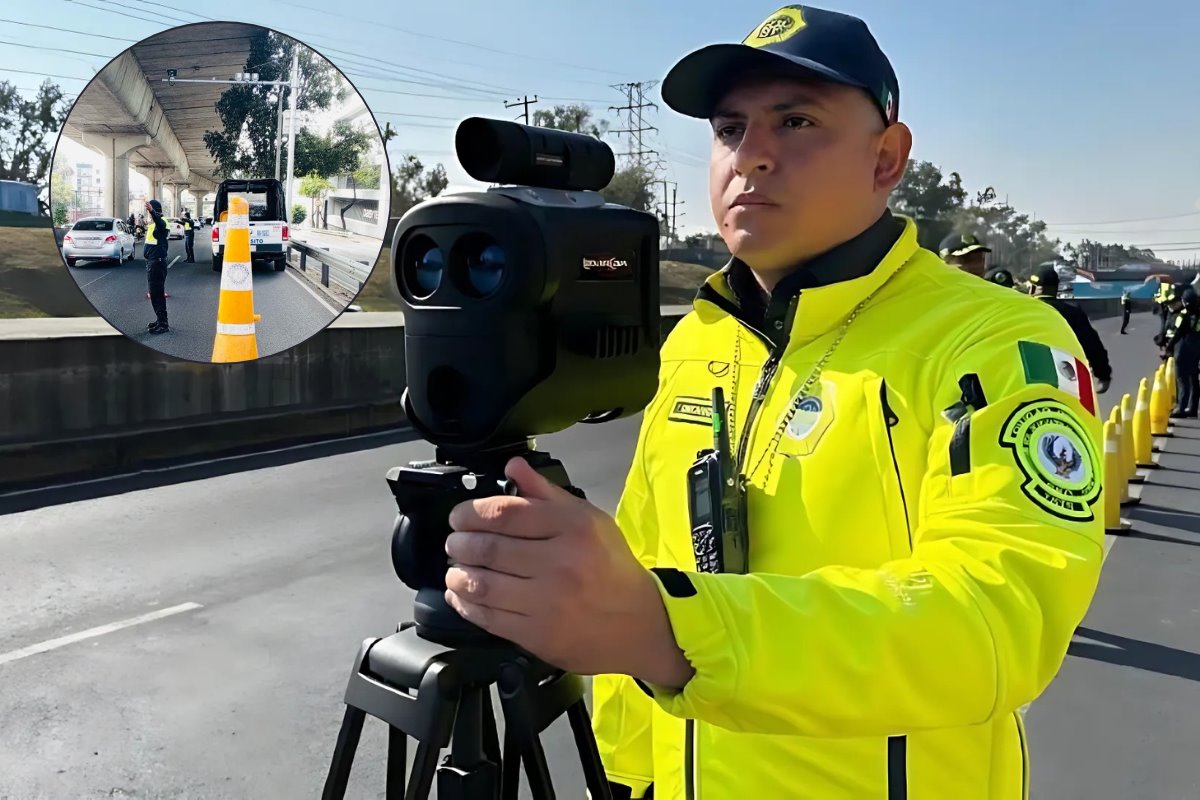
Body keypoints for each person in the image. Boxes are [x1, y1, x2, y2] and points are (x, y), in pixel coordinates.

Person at [437, 6, 1105, 798]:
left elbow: (998, 618)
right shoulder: (695, 342)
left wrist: (669, 628)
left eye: (796, 121)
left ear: (887, 158)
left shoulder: (996, 341)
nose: (751, 156)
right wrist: (626, 774)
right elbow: (647, 560)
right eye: (729, 129)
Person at [1029, 265, 1112, 394]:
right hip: (1066, 380)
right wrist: (1103, 374)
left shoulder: (1022, 313)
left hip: (1027, 381)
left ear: (1032, 289)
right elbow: (1092, 346)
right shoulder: (1073, 313)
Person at [1163, 288, 1200, 418]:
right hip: (1197, 351)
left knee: (1183, 380)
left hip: (1185, 351)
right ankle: (1193, 408)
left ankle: (1182, 407)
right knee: (1194, 381)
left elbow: (1178, 333)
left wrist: (1168, 348)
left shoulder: (1184, 315)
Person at [142, 198, 169, 334]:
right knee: (155, 294)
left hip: (157, 263)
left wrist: (152, 212)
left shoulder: (161, 222)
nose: (148, 213)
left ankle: (163, 324)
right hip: (153, 263)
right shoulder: (153, 225)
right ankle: (159, 320)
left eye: (150, 210)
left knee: (157, 295)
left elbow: (159, 222)